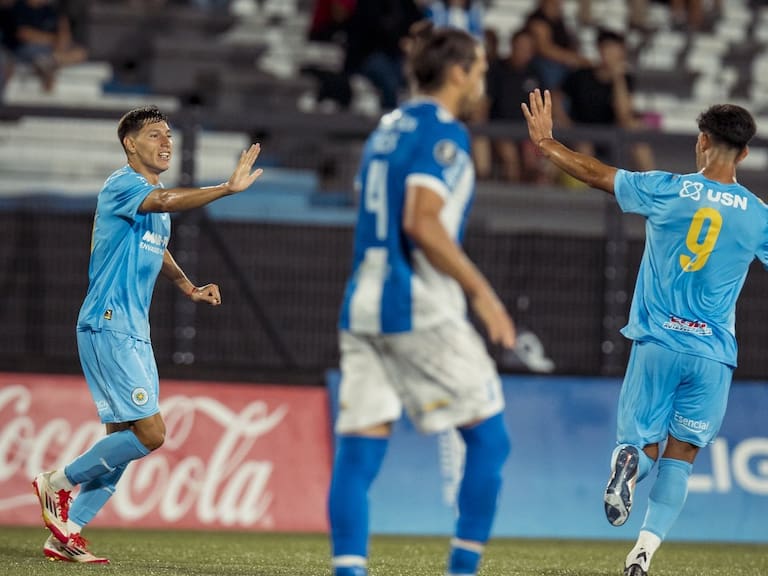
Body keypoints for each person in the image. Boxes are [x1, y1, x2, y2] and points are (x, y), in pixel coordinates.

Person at [522, 88, 763, 576]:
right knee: (683, 454)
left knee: (639, 445)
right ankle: (643, 554)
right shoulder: (758, 215)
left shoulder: (667, 188)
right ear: (744, 153)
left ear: (701, 142)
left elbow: (597, 176)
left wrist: (548, 144)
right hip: (712, 354)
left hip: (658, 342)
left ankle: (629, 462)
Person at [32, 106, 263, 563]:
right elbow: (166, 203)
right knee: (152, 434)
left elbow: (159, 248)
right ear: (130, 144)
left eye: (169, 135)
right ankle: (55, 483)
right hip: (108, 322)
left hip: (135, 332)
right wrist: (225, 189)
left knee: (120, 446)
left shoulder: (152, 201)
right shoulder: (124, 186)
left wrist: (189, 287)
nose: (167, 143)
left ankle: (67, 532)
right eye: (155, 134)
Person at [329, 21, 516, 576]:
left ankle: (349, 570)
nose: (483, 80)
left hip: (362, 302)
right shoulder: (446, 133)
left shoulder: (385, 129)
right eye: (480, 70)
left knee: (360, 453)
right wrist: (484, 296)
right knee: (491, 440)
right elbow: (422, 221)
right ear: (458, 73)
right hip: (418, 306)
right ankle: (461, 571)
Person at [555, 28, 654, 177]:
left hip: (613, 133)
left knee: (638, 139)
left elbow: (624, 116)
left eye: (614, 49)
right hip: (583, 132)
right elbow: (556, 96)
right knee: (585, 149)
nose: (609, 54)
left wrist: (617, 79)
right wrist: (565, 122)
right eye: (606, 48)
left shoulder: (626, 79)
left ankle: (654, 187)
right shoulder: (581, 75)